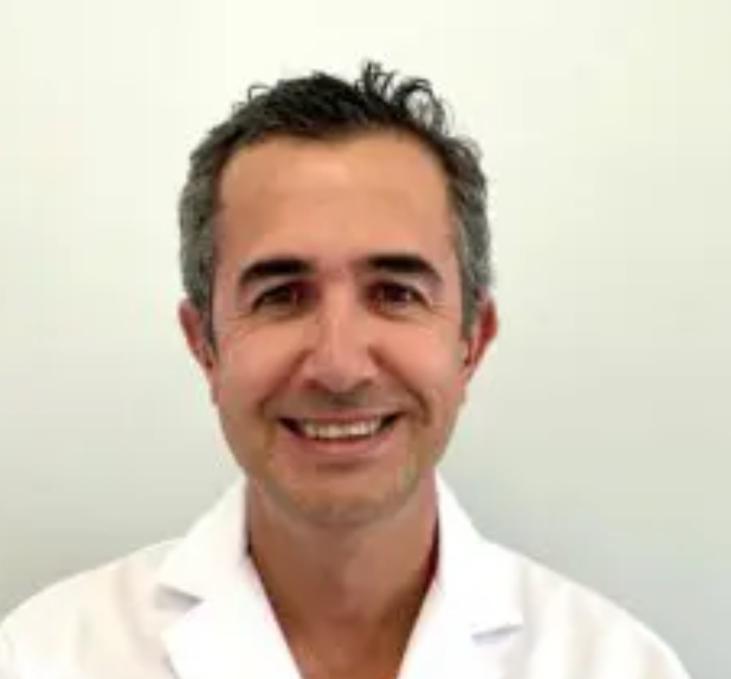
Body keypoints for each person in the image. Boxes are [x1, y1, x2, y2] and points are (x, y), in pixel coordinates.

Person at [0, 62, 691, 679]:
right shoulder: (45, 657)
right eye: (280, 295)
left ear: (472, 342)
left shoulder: (619, 665)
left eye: (395, 292)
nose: (339, 366)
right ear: (203, 346)